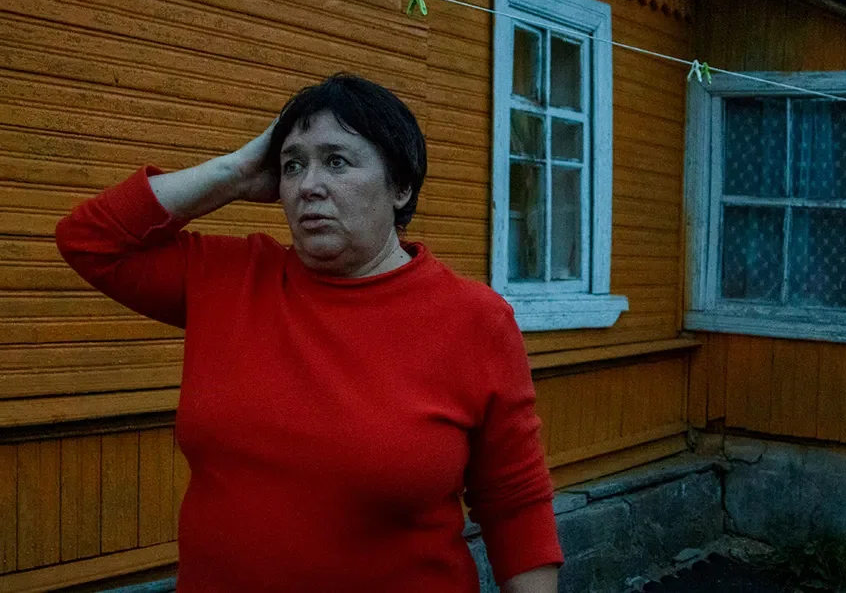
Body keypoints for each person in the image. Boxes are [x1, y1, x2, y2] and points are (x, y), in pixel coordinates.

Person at [55, 73, 563, 593]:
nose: (307, 186)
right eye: (292, 165)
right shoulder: (229, 280)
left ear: (401, 186)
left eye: (337, 161)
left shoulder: (475, 320)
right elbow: (90, 241)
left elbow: (515, 504)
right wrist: (234, 173)